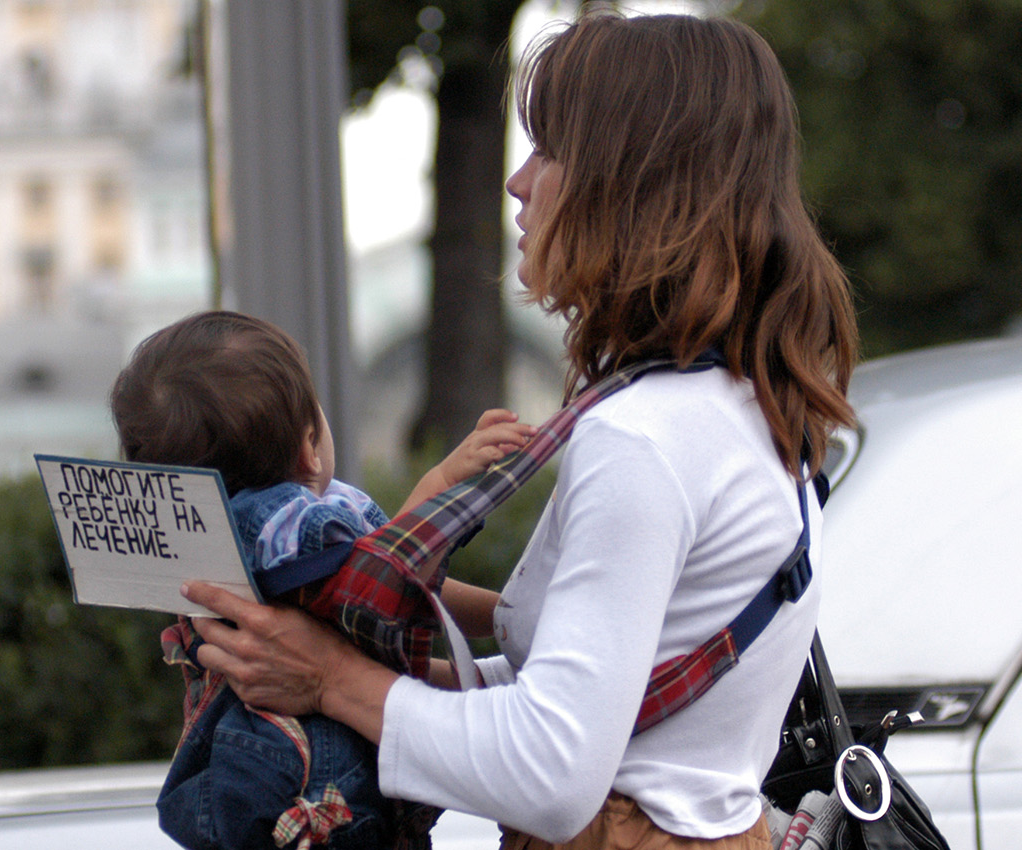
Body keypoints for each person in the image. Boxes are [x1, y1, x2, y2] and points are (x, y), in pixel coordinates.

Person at [180, 12, 859, 850]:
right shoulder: (738, 409)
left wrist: (330, 679)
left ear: (633, 185)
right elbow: (585, 701)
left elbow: (551, 772)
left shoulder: (644, 441)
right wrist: (323, 667)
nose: (518, 182)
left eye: (550, 152)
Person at [110, 309, 533, 849]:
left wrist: (507, 616)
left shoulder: (217, 535)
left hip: (265, 779)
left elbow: (418, 595)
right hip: (318, 784)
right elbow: (385, 581)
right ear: (309, 445)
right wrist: (441, 482)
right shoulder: (278, 523)